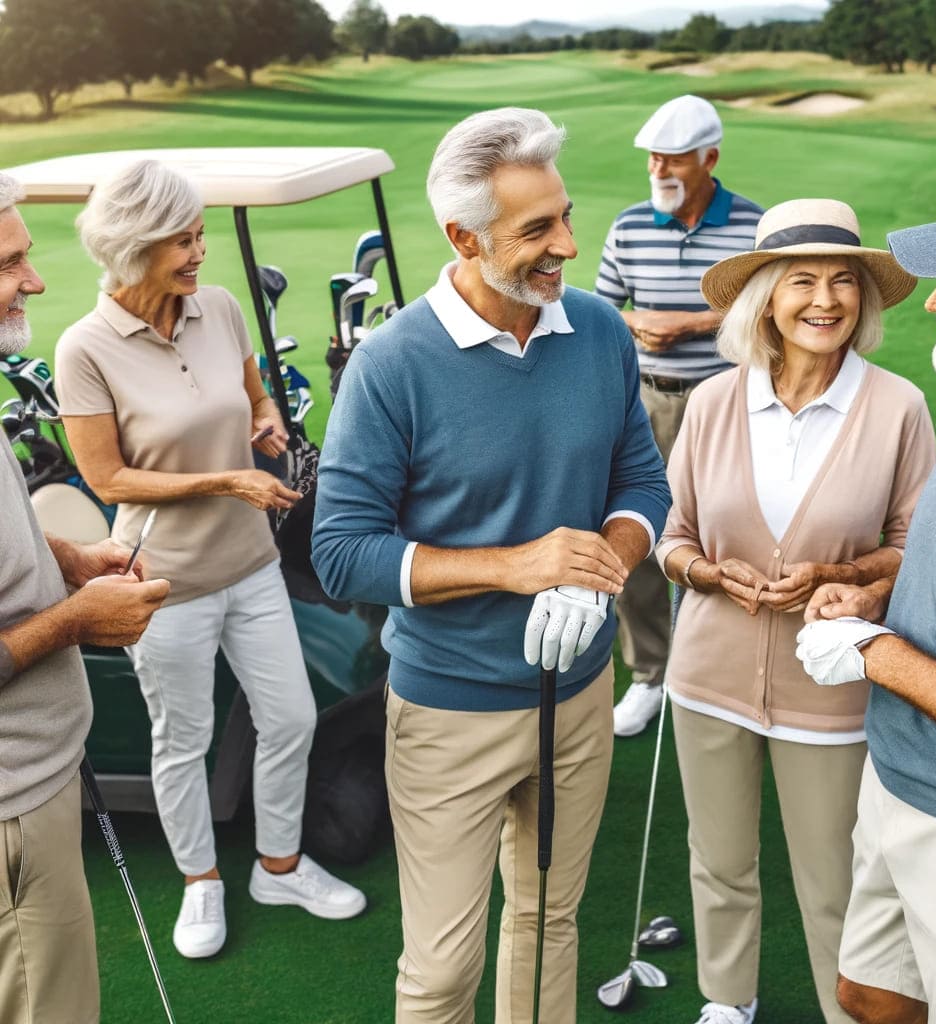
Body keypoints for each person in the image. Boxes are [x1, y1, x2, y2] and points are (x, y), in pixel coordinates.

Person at [312, 107, 670, 1023]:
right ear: (462, 238)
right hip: (449, 711)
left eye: (565, 216)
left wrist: (600, 566)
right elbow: (342, 552)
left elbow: (641, 482)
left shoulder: (597, 331)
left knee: (551, 922)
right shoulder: (391, 366)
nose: (568, 245)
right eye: (537, 231)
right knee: (440, 970)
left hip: (581, 695)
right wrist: (516, 566)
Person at [53, 159, 366, 963]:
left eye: (200, 235)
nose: (201, 253)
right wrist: (225, 477)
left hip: (250, 564)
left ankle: (279, 865)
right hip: (161, 582)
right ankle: (200, 880)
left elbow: (255, 393)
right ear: (133, 245)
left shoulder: (218, 308)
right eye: (183, 240)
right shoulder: (85, 346)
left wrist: (260, 423)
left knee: (291, 716)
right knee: (182, 737)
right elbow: (106, 477)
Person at [656, 198, 936, 1024]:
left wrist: (844, 572)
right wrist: (705, 572)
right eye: (803, 280)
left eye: (844, 281)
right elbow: (672, 536)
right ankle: (726, 1000)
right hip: (706, 676)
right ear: (767, 299)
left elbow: (913, 543)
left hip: (832, 689)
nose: (826, 300)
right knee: (717, 860)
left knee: (834, 875)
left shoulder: (898, 407)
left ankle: (843, 1009)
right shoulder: (711, 404)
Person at [797, 168, 936, 1024]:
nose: (934, 301)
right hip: (898, 780)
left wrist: (877, 657)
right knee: (868, 995)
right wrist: (871, 595)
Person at [0, 172, 170, 1024]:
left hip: (36, 781)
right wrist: (77, 619)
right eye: (9, 262)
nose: (33, 281)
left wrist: (63, 557)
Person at [596, 94, 764, 736]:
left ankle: (729, 668)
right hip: (646, 404)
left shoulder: (752, 226)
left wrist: (692, 321)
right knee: (636, 532)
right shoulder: (630, 226)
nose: (658, 170)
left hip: (732, 405)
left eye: (672, 158)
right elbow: (600, 308)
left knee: (729, 534)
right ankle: (650, 674)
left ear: (709, 158)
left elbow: (770, 310)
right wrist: (638, 320)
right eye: (652, 159)